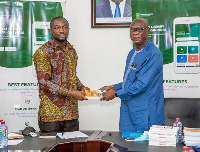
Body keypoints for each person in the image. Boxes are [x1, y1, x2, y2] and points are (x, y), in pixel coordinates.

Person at [100, 18, 165, 132]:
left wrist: (115, 93)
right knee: (126, 143)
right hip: (128, 107)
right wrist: (115, 87)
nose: (135, 33)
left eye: (140, 29)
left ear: (148, 31)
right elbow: (131, 80)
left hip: (145, 110)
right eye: (132, 30)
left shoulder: (153, 54)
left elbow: (141, 84)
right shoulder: (132, 53)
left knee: (144, 146)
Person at [33, 16, 89, 132]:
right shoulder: (43, 52)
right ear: (51, 31)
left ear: (68, 29)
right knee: (51, 149)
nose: (62, 31)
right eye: (57, 28)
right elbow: (44, 82)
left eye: (65, 27)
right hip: (51, 114)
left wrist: (82, 87)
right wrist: (71, 93)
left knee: (73, 148)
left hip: (71, 114)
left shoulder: (71, 51)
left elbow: (72, 75)